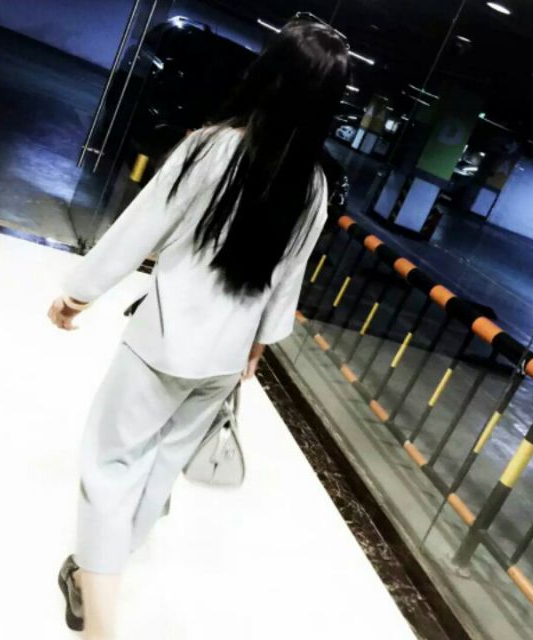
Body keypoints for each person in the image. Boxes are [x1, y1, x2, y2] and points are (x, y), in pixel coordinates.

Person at [47, 14, 349, 640]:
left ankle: (100, 623)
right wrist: (255, 350)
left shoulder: (213, 147)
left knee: (110, 468)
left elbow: (142, 226)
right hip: (225, 358)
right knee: (157, 474)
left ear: (269, 73)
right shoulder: (314, 186)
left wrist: (78, 293)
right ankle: (89, 574)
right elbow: (286, 281)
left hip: (162, 341)